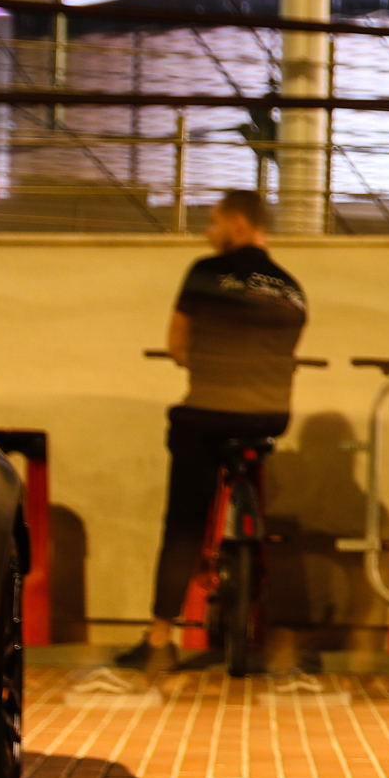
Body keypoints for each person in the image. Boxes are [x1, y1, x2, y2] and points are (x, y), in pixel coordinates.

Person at [115, 191, 309, 670]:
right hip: (269, 417)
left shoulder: (204, 272)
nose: (208, 231)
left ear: (238, 224)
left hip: (207, 414)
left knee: (182, 521)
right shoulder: (293, 289)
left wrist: (193, 358)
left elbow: (177, 343)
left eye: (214, 221)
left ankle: (160, 640)